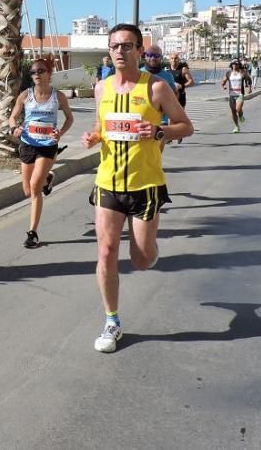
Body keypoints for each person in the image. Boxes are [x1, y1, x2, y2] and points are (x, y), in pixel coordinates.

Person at [80, 24, 193, 353]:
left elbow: (186, 126)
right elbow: (104, 125)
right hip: (108, 182)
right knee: (106, 252)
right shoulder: (101, 88)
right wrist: (94, 136)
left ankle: (151, 252)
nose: (120, 51)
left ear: (140, 51)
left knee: (141, 260)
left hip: (146, 185)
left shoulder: (156, 88)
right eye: (115, 46)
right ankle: (112, 320)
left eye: (127, 46)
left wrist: (158, 131)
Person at [9, 57, 74, 249]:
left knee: (35, 187)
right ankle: (48, 178)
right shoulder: (25, 96)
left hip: (47, 145)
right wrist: (15, 129)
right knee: (28, 191)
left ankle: (33, 233)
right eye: (33, 72)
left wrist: (60, 132)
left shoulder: (58, 96)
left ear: (49, 74)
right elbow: (13, 117)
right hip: (28, 144)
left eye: (40, 71)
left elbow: (70, 118)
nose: (36, 74)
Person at [140, 45, 176, 152]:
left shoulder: (168, 76)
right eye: (149, 55)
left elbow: (174, 97)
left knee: (157, 152)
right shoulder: (137, 74)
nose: (153, 58)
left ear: (161, 57)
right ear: (145, 56)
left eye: (156, 55)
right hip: (140, 121)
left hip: (161, 121)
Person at [169, 53, 195, 144]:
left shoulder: (183, 70)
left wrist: (182, 86)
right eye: (172, 58)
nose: (174, 60)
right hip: (170, 96)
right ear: (169, 60)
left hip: (181, 96)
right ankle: (171, 136)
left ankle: (180, 134)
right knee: (171, 117)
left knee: (180, 117)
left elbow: (191, 82)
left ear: (178, 59)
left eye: (175, 58)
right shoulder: (166, 70)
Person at [221, 60, 247, 132]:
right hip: (231, 94)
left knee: (238, 109)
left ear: (238, 65)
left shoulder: (242, 72)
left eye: (236, 64)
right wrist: (223, 86)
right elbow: (223, 81)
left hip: (240, 94)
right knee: (233, 111)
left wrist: (250, 88)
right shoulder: (229, 73)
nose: (234, 65)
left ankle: (241, 115)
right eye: (233, 64)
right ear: (231, 65)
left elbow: (248, 79)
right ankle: (236, 126)